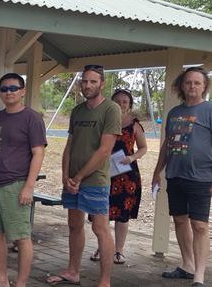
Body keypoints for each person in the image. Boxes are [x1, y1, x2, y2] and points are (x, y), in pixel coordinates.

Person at [47, 65, 121, 287]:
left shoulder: (111, 109)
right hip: (72, 180)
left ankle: (104, 281)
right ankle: (73, 271)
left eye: (93, 81)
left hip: (95, 180)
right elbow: (70, 145)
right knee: (74, 224)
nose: (88, 85)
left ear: (102, 83)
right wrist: (65, 176)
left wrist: (79, 177)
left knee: (100, 228)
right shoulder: (77, 111)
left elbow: (105, 150)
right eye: (85, 81)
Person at [0, 73, 46, 287]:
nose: (9, 92)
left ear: (23, 91)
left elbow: (38, 153)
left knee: (21, 236)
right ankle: (2, 278)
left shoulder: (32, 118)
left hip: (15, 184)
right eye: (5, 89)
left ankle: (21, 283)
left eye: (14, 88)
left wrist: (29, 186)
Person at [152, 66, 212, 287]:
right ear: (182, 86)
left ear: (204, 86)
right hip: (175, 176)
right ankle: (186, 265)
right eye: (188, 82)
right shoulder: (174, 113)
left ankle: (199, 275)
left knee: (200, 226)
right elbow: (167, 145)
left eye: (197, 82)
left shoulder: (209, 110)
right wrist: (158, 171)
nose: (192, 86)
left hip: (202, 177)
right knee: (179, 221)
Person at [89, 89, 147, 265]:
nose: (121, 104)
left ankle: (118, 251)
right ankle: (103, 246)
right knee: (101, 213)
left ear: (129, 104)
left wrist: (131, 157)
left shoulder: (135, 124)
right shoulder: (103, 120)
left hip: (126, 175)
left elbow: (143, 148)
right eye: (118, 101)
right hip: (102, 172)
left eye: (125, 101)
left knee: (122, 215)